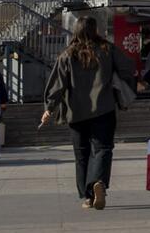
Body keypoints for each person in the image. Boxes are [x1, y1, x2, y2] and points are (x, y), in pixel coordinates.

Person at [42, 16, 136, 210]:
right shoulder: (107, 50)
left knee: (82, 154)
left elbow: (57, 85)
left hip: (76, 113)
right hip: (104, 109)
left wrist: (49, 108)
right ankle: (98, 181)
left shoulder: (67, 55)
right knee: (102, 149)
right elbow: (128, 66)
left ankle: (88, 196)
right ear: (95, 30)